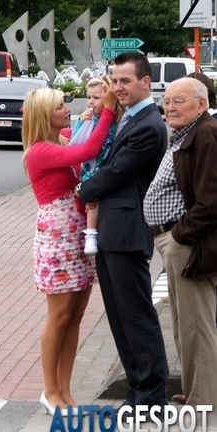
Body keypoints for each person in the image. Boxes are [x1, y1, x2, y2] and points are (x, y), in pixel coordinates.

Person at [77, 52, 169, 411]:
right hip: (113, 231)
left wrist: (82, 191)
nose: (118, 87)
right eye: (115, 81)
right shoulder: (128, 117)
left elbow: (116, 171)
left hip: (128, 233)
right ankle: (137, 388)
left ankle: (151, 394)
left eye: (125, 81)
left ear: (146, 82)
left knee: (136, 316)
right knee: (119, 317)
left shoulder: (148, 123)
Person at [22, 81, 117, 416]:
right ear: (45, 115)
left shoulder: (59, 139)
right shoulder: (40, 151)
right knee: (59, 316)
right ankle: (49, 390)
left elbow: (83, 144)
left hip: (77, 233)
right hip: (58, 237)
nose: (68, 108)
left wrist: (90, 118)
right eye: (61, 105)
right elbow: (87, 151)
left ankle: (65, 390)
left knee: (75, 317)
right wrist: (106, 110)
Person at [143, 77, 217, 427]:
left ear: (200, 105)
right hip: (175, 242)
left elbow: (211, 201)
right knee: (183, 326)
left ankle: (204, 406)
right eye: (167, 101)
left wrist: (179, 236)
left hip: (187, 244)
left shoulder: (206, 134)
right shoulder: (188, 133)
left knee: (196, 329)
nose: (169, 107)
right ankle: (195, 392)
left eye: (179, 101)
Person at [71, 78, 125, 254]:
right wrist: (80, 122)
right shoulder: (89, 118)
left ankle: (93, 232)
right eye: (89, 97)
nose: (90, 102)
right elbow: (77, 141)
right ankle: (90, 234)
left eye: (96, 97)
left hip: (107, 165)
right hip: (92, 168)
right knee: (92, 201)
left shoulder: (116, 120)